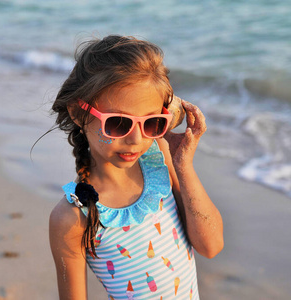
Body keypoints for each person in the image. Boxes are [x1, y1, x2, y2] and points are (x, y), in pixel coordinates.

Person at [49, 35, 223, 300]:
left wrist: (183, 166)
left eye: (152, 123)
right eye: (118, 123)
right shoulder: (73, 217)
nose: (136, 139)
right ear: (78, 113)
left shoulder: (160, 161)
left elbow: (210, 246)